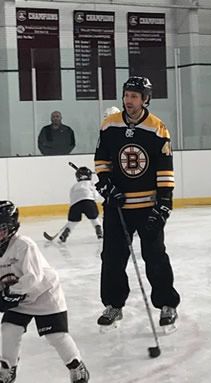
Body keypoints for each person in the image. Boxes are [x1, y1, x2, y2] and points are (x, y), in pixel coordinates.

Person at [94, 76, 180, 330]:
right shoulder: (109, 126)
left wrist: (164, 203)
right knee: (112, 258)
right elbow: (101, 160)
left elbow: (165, 170)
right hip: (117, 207)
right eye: (126, 95)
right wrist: (106, 185)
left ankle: (167, 304)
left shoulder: (157, 128)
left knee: (155, 257)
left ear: (145, 99)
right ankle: (113, 305)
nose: (129, 101)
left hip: (147, 207)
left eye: (134, 96)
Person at [0, 201, 89, 382]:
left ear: (11, 227)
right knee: (9, 329)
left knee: (55, 335)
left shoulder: (24, 245)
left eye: (1, 228)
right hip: (19, 299)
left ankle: (76, 365)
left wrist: (10, 293)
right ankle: (7, 369)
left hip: (44, 295)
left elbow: (33, 278)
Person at [58, 167, 102, 243]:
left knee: (72, 222)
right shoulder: (91, 183)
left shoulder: (74, 186)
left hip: (75, 204)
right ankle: (99, 231)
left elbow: (72, 197)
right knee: (94, 219)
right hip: (89, 202)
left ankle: (66, 232)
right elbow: (95, 195)